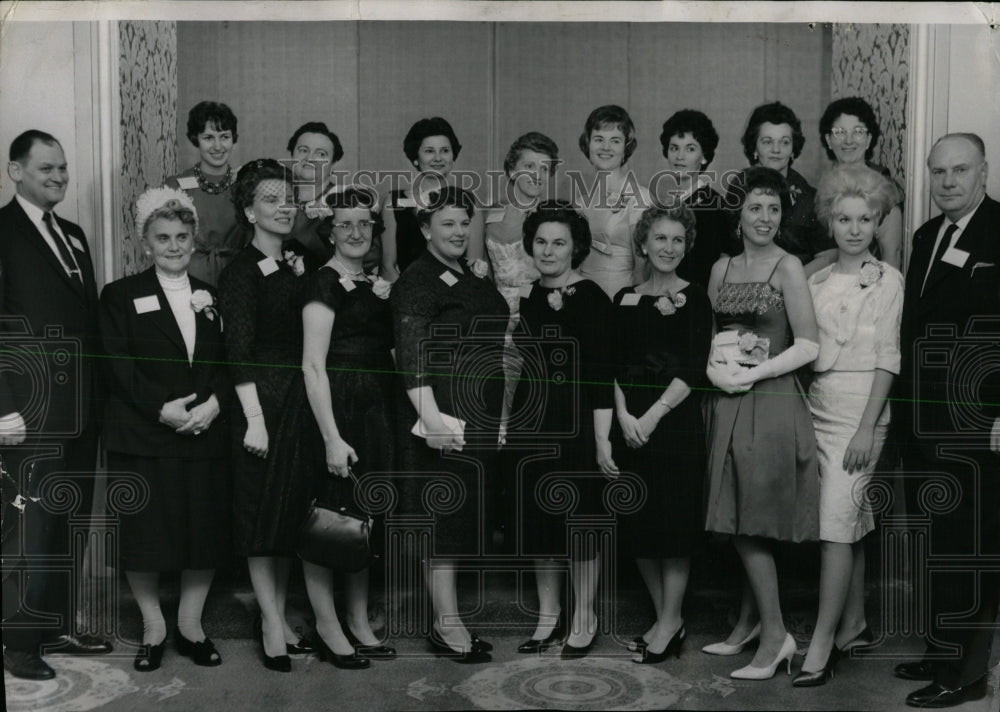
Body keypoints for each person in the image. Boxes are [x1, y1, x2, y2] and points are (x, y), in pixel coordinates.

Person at [99, 187, 232, 672]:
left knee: (204, 532)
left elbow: (226, 361)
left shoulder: (213, 296)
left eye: (181, 236)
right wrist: (161, 409)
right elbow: (116, 364)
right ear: (145, 243)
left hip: (203, 430)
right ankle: (154, 627)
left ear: (194, 239)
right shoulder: (119, 295)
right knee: (145, 534)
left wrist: (215, 404)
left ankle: (191, 624)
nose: (173, 245)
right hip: (144, 434)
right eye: (162, 237)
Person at [1, 130, 112, 680]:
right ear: (15, 171)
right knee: (30, 528)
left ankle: (56, 627)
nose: (58, 178)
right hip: (28, 410)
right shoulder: (0, 232)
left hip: (81, 408)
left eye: (64, 169)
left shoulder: (72, 233)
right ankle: (20, 643)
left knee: (70, 521)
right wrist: (2, 407)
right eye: (46, 169)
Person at [702, 166, 820, 680]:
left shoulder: (789, 265)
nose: (766, 218)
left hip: (770, 401)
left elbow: (810, 344)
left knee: (751, 521)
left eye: (774, 209)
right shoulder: (721, 268)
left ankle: (777, 638)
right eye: (756, 208)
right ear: (738, 215)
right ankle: (748, 626)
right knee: (735, 513)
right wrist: (715, 373)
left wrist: (756, 372)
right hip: (725, 399)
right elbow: (709, 336)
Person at [895, 133, 999, 709]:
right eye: (938, 172)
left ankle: (967, 675)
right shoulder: (926, 235)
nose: (947, 181)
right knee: (936, 543)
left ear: (983, 171)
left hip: (978, 423)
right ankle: (940, 653)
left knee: (971, 549)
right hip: (923, 422)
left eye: (959, 170)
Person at [792, 165, 903, 687]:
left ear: (878, 222)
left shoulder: (889, 280)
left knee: (835, 528)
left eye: (865, 219)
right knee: (843, 524)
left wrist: (866, 429)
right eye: (844, 218)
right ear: (830, 221)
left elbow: (887, 358)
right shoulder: (814, 278)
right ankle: (853, 623)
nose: (854, 228)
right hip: (816, 403)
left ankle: (820, 642)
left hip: (862, 411)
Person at [391, 186, 507, 664]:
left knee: (458, 517)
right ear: (424, 229)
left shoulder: (469, 273)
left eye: (464, 223)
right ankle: (445, 624)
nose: (458, 232)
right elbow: (409, 350)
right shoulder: (417, 280)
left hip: (478, 411)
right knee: (441, 517)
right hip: (443, 415)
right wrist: (431, 419)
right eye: (447, 224)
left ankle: (448, 617)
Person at [217, 159, 316, 672]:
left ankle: (277, 614)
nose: (284, 207)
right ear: (249, 210)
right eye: (271, 199)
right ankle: (271, 622)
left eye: (288, 198)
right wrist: (253, 417)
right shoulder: (238, 272)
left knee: (285, 515)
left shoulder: (299, 256)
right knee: (260, 515)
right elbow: (237, 350)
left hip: (298, 401)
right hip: (260, 404)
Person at [511, 201, 617, 660]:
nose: (548, 251)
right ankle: (548, 616)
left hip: (575, 423)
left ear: (576, 249)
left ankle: (584, 617)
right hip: (531, 421)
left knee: (580, 524)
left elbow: (600, 376)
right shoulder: (528, 296)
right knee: (539, 522)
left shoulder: (593, 298)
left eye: (559, 243)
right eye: (541, 242)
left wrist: (600, 440)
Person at [297, 186, 396, 670]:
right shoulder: (323, 283)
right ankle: (327, 625)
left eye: (365, 224)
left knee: (362, 521)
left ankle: (358, 621)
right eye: (345, 224)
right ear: (329, 232)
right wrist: (332, 437)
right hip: (337, 413)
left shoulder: (374, 282)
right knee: (329, 521)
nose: (356, 232)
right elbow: (313, 366)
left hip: (377, 412)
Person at [612, 205, 712, 663]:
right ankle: (665, 618)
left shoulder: (695, 297)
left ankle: (670, 621)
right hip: (629, 428)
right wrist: (623, 417)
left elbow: (694, 368)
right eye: (660, 239)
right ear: (644, 245)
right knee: (640, 528)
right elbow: (609, 366)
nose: (669, 247)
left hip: (673, 425)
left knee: (672, 529)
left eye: (677, 239)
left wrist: (651, 416)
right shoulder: (625, 299)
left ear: (686, 245)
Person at [485, 132, 556, 437]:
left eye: (544, 168)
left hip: (541, 318)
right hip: (498, 321)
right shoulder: (488, 214)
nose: (537, 175)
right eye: (530, 166)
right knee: (499, 403)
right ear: (512, 170)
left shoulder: (555, 216)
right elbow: (480, 273)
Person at [382, 117, 485, 280]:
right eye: (429, 151)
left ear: (453, 156)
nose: (438, 158)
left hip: (456, 296)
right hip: (407, 294)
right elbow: (388, 266)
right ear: (416, 157)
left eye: (445, 150)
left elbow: (475, 266)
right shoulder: (393, 202)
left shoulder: (469, 201)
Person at [728, 101, 825, 267]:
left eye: (784, 142)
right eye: (767, 141)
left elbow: (828, 255)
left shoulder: (810, 196)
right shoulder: (739, 187)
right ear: (754, 148)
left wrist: (792, 281)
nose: (776, 149)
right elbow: (728, 249)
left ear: (794, 149)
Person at [816, 97, 903, 271]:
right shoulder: (824, 184)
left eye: (858, 131)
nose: (848, 140)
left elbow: (891, 256)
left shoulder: (884, 188)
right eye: (840, 132)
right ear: (828, 139)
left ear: (869, 139)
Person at [165, 101, 246, 286]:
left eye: (224, 136)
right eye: (208, 137)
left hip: (237, 277)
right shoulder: (175, 186)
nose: (218, 146)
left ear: (234, 139)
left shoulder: (245, 184)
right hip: (188, 275)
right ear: (196, 139)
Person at [575, 105, 651, 297]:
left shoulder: (640, 198)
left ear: (626, 147)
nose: (606, 148)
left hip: (621, 297)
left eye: (615, 141)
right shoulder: (580, 202)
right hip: (583, 298)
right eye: (598, 139)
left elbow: (641, 267)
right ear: (588, 145)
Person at [657, 109, 729, 287]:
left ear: (704, 157)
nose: (679, 156)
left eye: (690, 149)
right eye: (674, 148)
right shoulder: (666, 204)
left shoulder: (713, 205)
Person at [285, 121, 344, 265]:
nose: (310, 158)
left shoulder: (343, 200)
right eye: (303, 150)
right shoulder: (275, 195)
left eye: (321, 154)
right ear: (292, 154)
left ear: (333, 163)